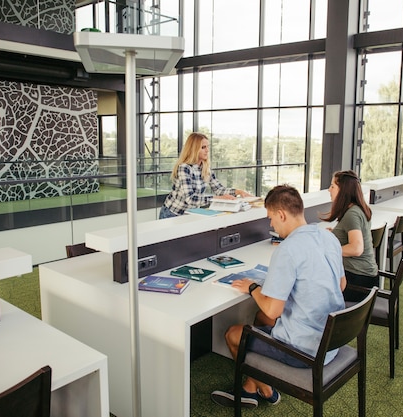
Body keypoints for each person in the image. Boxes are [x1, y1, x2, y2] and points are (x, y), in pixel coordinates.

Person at [211, 184, 346, 409]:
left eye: (271, 218)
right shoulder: (328, 237)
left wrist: (253, 287)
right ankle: (251, 388)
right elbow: (341, 284)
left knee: (234, 334)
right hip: (332, 341)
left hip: (306, 350)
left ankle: (264, 388)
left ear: (281, 214)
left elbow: (273, 310)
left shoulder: (288, 249)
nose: (271, 224)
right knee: (259, 319)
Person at [159, 132, 253, 219]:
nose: (207, 150)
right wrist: (217, 198)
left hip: (190, 213)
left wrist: (238, 191)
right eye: (203, 147)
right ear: (193, 149)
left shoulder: (205, 168)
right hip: (172, 214)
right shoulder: (184, 168)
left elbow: (219, 189)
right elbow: (190, 199)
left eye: (208, 147)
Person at [321, 170, 378, 301]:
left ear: (343, 191)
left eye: (332, 186)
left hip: (358, 281)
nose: (329, 190)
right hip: (366, 277)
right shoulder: (357, 209)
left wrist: (328, 249)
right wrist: (334, 235)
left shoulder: (352, 214)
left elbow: (356, 249)